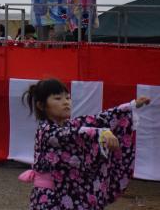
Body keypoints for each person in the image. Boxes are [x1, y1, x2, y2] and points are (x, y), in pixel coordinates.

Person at [21, 79, 151, 210]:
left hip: (68, 192)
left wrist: (130, 106)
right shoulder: (46, 131)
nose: (66, 102)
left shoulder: (70, 125)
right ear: (41, 105)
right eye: (58, 98)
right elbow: (71, 134)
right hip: (49, 197)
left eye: (68, 98)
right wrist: (101, 133)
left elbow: (99, 119)